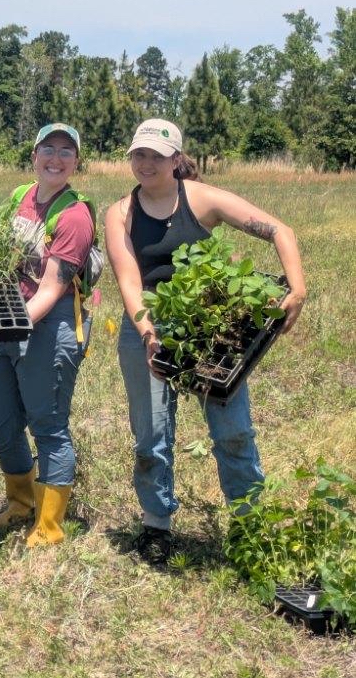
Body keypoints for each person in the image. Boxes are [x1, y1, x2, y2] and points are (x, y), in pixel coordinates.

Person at [104, 119, 307, 565]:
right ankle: (156, 526)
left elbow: (278, 230)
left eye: (157, 155)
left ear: (177, 160)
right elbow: (129, 282)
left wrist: (297, 288)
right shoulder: (120, 213)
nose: (146, 163)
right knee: (151, 436)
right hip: (147, 327)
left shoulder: (203, 199)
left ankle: (250, 527)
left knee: (233, 431)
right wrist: (150, 337)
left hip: (210, 328)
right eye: (139, 154)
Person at [0, 123, 95, 547]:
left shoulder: (75, 215)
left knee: (48, 426)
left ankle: (49, 527)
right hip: (11, 320)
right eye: (48, 148)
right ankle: (21, 503)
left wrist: (14, 323)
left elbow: (52, 287)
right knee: (3, 423)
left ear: (77, 162)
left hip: (51, 327)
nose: (56, 158)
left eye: (66, 151)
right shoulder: (21, 197)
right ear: (33, 155)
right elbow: (0, 255)